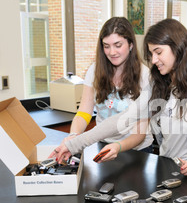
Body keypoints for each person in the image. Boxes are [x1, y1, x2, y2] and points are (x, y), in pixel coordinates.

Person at [52, 18, 187, 178]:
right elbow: (122, 119)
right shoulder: (159, 85)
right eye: (151, 53)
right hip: (168, 170)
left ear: (178, 47)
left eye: (158, 52)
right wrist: (73, 144)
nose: (153, 60)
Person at [54, 17, 153, 162]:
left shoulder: (145, 76)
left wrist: (117, 146)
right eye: (106, 46)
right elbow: (84, 112)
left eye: (118, 45)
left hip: (137, 151)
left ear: (131, 44)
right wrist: (73, 136)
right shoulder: (94, 70)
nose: (112, 52)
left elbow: (139, 134)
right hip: (103, 146)